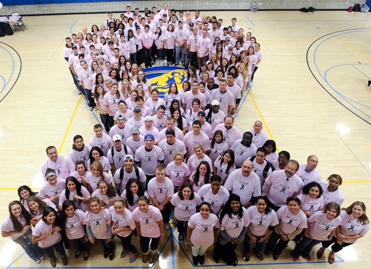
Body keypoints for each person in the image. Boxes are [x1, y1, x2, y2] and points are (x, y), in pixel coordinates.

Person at [213, 194, 250, 266]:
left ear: (240, 203)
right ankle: (216, 254)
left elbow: (245, 227)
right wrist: (230, 239)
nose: (235, 205)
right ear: (229, 204)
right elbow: (222, 229)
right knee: (223, 252)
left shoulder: (245, 212)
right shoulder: (224, 213)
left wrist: (238, 239)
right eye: (233, 203)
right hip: (225, 239)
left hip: (236, 240)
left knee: (231, 258)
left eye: (237, 203)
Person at [244, 196, 279, 261]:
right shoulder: (250, 210)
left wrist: (265, 238)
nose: (261, 206)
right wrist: (250, 235)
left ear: (266, 204)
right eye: (259, 204)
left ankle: (256, 251)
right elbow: (246, 225)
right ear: (255, 204)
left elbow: (272, 227)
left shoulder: (272, 212)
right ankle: (246, 252)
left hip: (263, 234)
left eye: (263, 204)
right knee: (247, 244)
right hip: (250, 233)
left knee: (261, 248)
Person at [132, 196, 165, 263]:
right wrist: (138, 235)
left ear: (148, 204)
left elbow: (161, 224)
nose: (142, 207)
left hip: (155, 232)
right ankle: (145, 254)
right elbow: (137, 224)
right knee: (144, 246)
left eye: (144, 205)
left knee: (154, 245)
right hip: (143, 232)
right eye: (140, 205)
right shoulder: (135, 212)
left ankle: (152, 254)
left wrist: (162, 234)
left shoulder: (155, 211)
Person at [187, 202, 219, 266]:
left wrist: (215, 239)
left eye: (207, 210)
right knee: (195, 250)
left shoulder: (215, 218)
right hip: (195, 240)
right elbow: (189, 229)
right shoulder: (194, 217)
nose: (204, 212)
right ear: (199, 210)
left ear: (210, 210)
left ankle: (201, 255)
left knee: (203, 250)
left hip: (208, 240)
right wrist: (188, 240)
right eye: (202, 210)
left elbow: (216, 228)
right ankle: (195, 256)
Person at [109, 198, 139, 263]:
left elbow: (132, 228)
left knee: (127, 245)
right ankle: (126, 248)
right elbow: (111, 219)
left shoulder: (129, 217)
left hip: (126, 234)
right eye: (116, 207)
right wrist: (113, 224)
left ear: (124, 206)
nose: (117, 210)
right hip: (117, 232)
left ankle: (135, 251)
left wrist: (120, 229)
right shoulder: (111, 209)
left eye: (120, 207)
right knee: (123, 243)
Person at [147, 166, 174, 230]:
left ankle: (166, 221)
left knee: (166, 212)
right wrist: (158, 206)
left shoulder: (169, 182)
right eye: (158, 174)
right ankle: (156, 223)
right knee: (155, 213)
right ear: (155, 174)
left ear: (165, 173)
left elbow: (169, 196)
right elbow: (152, 196)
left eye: (162, 174)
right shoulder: (151, 183)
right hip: (155, 202)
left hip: (166, 201)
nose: (160, 176)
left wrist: (162, 205)